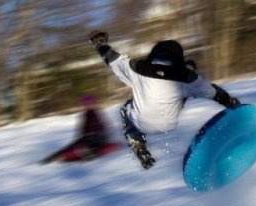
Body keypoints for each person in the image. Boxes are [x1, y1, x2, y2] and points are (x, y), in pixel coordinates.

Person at [88, 31, 241, 169]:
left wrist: (99, 43)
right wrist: (230, 103)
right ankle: (189, 68)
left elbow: (113, 59)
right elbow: (214, 92)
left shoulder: (136, 68)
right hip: (169, 122)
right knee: (187, 89)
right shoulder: (186, 78)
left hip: (142, 123)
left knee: (125, 108)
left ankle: (138, 146)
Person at [40, 95, 111, 164]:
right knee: (72, 145)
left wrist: (92, 136)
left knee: (81, 146)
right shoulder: (87, 114)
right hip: (89, 138)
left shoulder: (94, 113)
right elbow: (84, 128)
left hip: (97, 138)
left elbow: (98, 128)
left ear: (93, 103)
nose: (86, 106)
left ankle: (88, 154)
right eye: (85, 104)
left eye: (89, 103)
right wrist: (81, 137)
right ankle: (54, 157)